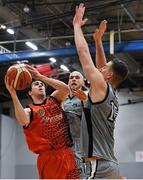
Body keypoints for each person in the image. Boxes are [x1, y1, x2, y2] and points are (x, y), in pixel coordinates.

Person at [73, 3, 128, 179]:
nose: (101, 69)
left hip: (99, 165)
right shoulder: (111, 95)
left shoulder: (103, 88)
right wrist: (97, 41)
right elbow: (101, 68)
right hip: (110, 164)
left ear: (109, 76)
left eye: (105, 68)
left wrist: (76, 26)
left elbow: (83, 54)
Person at [5, 65, 79, 179]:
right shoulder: (29, 111)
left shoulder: (54, 100)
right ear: (30, 93)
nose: (40, 85)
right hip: (50, 158)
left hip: (69, 153)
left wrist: (40, 77)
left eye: (42, 84)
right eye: (36, 84)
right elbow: (21, 120)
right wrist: (14, 95)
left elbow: (65, 89)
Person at [63, 71, 87, 178]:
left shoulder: (88, 96)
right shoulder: (63, 100)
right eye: (71, 77)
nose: (73, 79)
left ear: (83, 82)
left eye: (77, 77)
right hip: (67, 145)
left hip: (83, 143)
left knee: (83, 176)